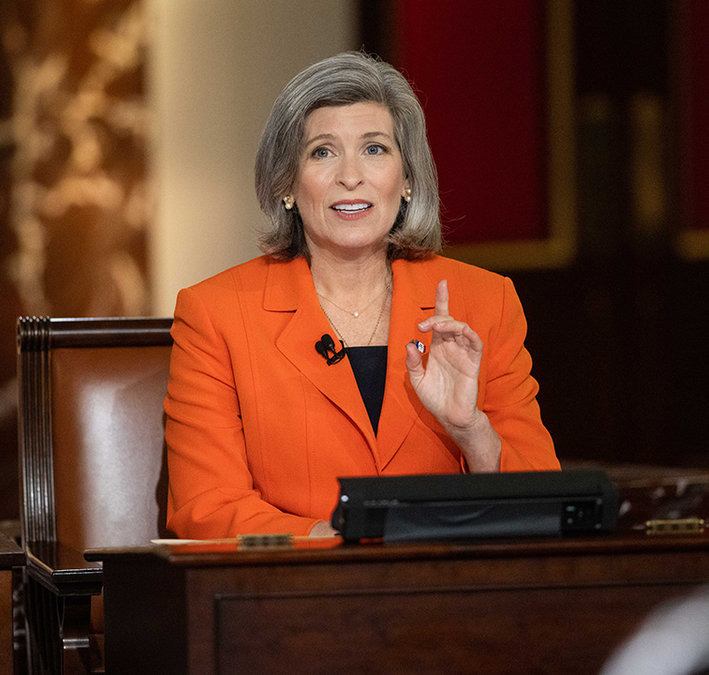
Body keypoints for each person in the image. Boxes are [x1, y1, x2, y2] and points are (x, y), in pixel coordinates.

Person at [164, 51, 559, 539]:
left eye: (375, 149)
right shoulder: (217, 313)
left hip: (450, 590)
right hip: (295, 593)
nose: (351, 176)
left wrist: (471, 431)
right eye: (323, 152)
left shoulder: (483, 301)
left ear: (408, 179)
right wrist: (335, 546)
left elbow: (547, 505)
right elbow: (206, 509)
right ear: (286, 184)